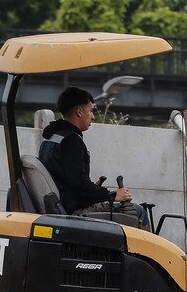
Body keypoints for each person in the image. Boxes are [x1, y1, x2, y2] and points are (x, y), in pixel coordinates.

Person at [39, 87, 149, 228]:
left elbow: (68, 180)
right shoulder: (71, 141)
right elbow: (79, 184)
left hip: (63, 205)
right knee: (138, 212)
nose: (93, 116)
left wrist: (94, 190)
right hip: (74, 211)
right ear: (79, 112)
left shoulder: (50, 140)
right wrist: (112, 195)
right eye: (90, 110)